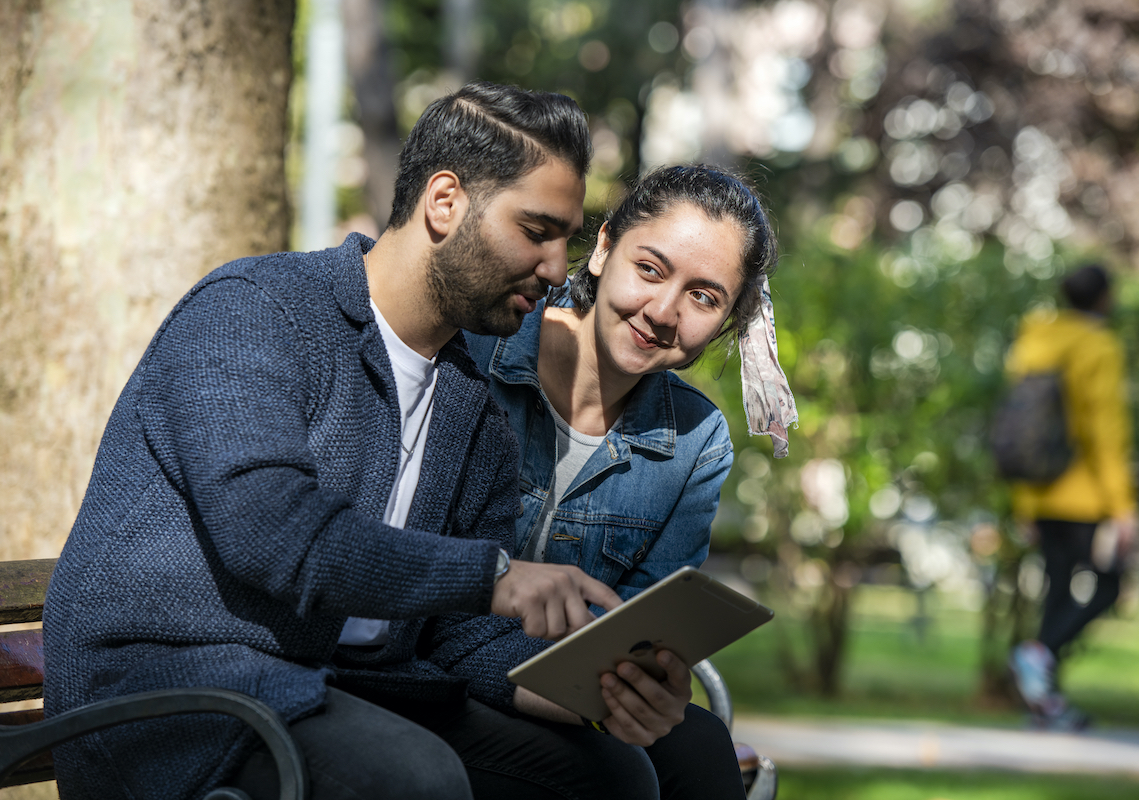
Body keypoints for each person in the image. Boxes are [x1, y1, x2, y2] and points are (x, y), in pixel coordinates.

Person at [42, 81, 683, 800]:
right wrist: (495, 576)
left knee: (611, 779)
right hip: (169, 691)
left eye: (565, 238)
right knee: (414, 779)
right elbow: (274, 532)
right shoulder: (255, 310)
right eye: (536, 231)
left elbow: (461, 636)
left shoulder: (473, 402)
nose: (556, 267)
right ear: (445, 202)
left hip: (343, 687)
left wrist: (597, 691)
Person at [464, 165, 797, 798]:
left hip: (568, 692)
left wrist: (651, 692)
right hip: (445, 666)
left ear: (729, 318)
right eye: (650, 269)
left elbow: (643, 628)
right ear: (604, 247)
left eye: (704, 297)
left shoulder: (697, 442)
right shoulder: (476, 357)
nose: (662, 312)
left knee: (696, 744)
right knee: (616, 777)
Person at [1006, 263, 1138, 730]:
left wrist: (1024, 504)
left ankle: (1046, 706)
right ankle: (1038, 653)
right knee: (1110, 586)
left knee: (1058, 592)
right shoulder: (1099, 346)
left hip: (1040, 494)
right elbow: (1106, 432)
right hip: (1084, 498)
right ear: (1103, 298)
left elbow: (1023, 426)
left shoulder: (1035, 341)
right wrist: (1123, 509)